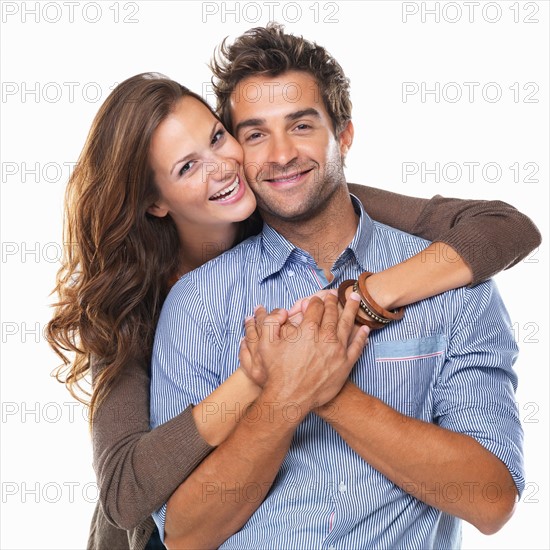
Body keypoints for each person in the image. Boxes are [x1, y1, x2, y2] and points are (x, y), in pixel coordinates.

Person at [45, 64, 540, 550]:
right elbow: (133, 497)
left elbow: (504, 227)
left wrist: (364, 300)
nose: (277, 155)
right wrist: (274, 381)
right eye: (187, 166)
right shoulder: (147, 307)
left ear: (343, 137)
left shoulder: (298, 193)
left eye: (218, 140)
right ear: (155, 201)